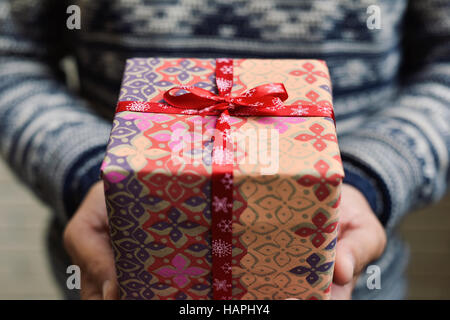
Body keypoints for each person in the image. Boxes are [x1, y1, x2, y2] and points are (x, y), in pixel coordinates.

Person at [0, 0, 448, 300]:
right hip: (123, 265)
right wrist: (89, 175)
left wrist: (369, 181)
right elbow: (11, 54)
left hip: (351, 279)